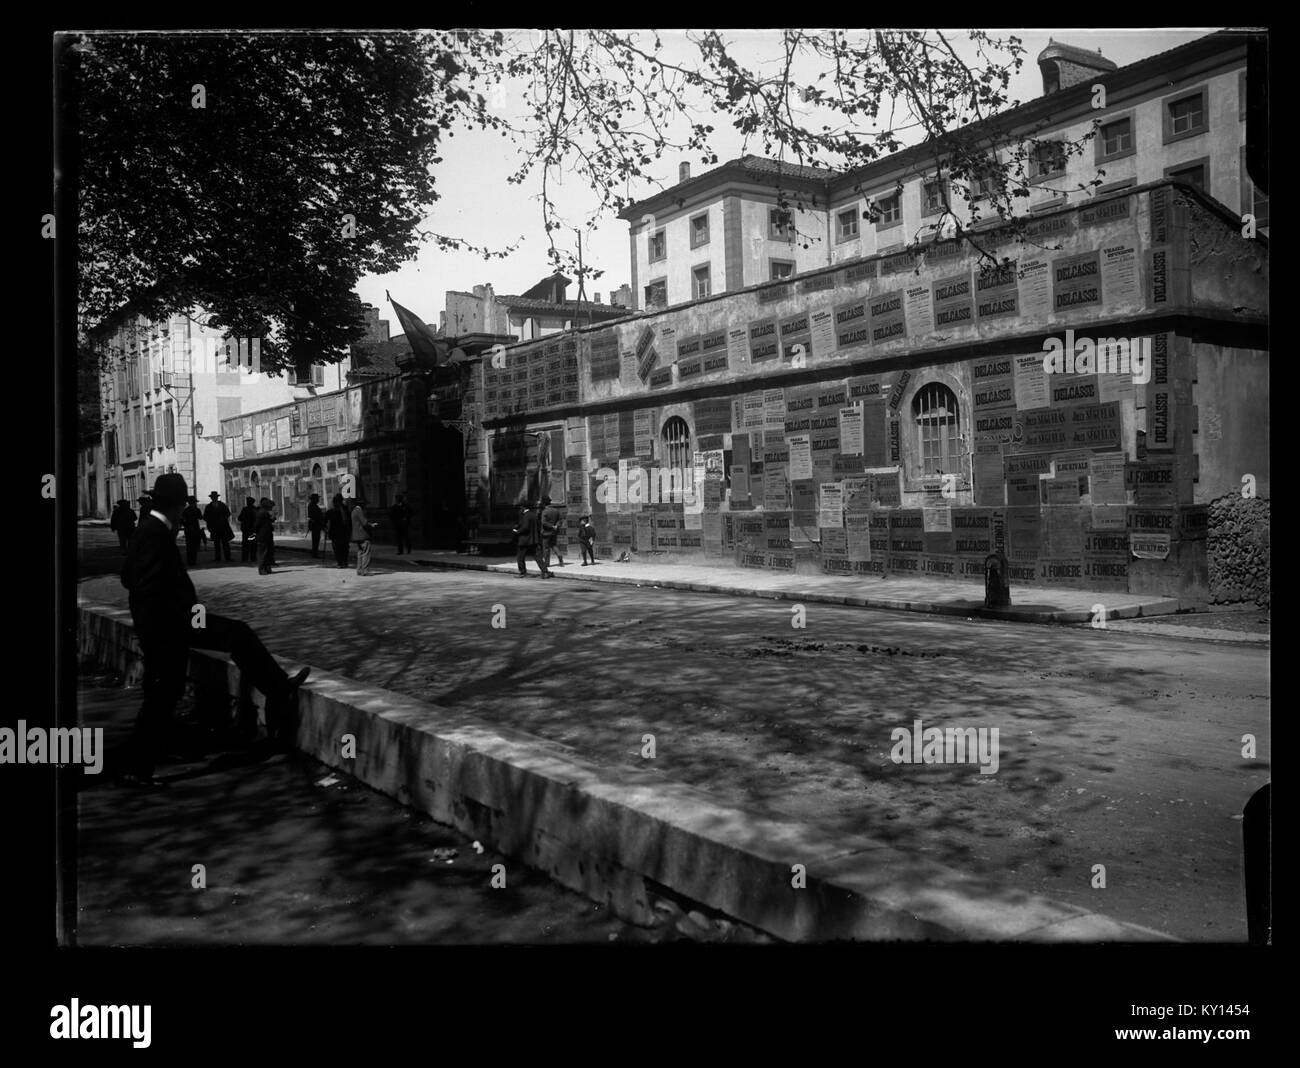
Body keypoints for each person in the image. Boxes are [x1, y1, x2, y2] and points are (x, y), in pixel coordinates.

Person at [119, 473, 309, 787]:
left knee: (163, 694)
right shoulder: (155, 533)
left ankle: (140, 764)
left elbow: (129, 577)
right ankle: (278, 690)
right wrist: (187, 617)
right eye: (183, 506)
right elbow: (153, 589)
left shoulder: (147, 530)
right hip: (170, 628)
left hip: (165, 626)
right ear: (178, 506)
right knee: (169, 690)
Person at [512, 501, 551, 578]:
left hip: (524, 540)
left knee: (520, 557)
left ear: (523, 507)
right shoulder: (534, 515)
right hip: (534, 539)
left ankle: (522, 572)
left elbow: (525, 527)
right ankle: (545, 571)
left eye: (521, 507)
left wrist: (517, 531)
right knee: (537, 557)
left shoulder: (526, 516)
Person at [203, 491, 234, 562]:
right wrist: (211, 521)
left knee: (225, 543)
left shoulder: (222, 505)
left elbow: (228, 513)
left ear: (217, 498)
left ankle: (227, 557)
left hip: (223, 527)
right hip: (214, 528)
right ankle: (218, 557)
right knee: (216, 543)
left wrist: (222, 518)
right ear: (211, 498)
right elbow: (205, 517)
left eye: (215, 497)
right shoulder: (208, 507)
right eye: (213, 497)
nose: (214, 498)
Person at [350, 497, 374, 576]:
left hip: (356, 535)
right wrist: (371, 525)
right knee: (366, 552)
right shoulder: (359, 510)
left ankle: (359, 569)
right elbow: (364, 522)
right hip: (363, 535)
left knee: (360, 552)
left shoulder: (353, 510)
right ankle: (365, 570)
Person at [540, 495, 565, 568]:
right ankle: (560, 557)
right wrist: (556, 526)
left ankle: (547, 563)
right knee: (554, 546)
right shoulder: (556, 510)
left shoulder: (544, 511)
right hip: (554, 532)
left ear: (544, 503)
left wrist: (551, 526)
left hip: (546, 532)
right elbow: (560, 520)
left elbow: (543, 522)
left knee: (546, 548)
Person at [327, 493, 350, 569]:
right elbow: (325, 520)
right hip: (336, 532)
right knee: (338, 548)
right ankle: (340, 562)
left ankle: (344, 561)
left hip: (343, 532)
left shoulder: (345, 508)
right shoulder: (331, 511)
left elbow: (348, 520)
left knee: (344, 547)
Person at [255, 497, 277, 575]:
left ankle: (267, 567)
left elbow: (267, 521)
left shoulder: (264, 512)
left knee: (268, 552)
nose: (271, 508)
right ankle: (262, 569)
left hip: (267, 535)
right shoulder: (262, 513)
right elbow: (257, 525)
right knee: (263, 553)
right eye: (270, 506)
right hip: (262, 535)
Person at [181, 496, 205, 566]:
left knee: (189, 546)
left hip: (188, 530)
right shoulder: (197, 510)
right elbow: (200, 517)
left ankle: (189, 561)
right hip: (195, 529)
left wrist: (186, 525)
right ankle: (193, 561)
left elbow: (182, 520)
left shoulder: (185, 510)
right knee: (195, 545)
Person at [238, 496, 259, 563]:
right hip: (252, 530)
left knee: (246, 544)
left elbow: (240, 518)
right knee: (252, 544)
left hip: (247, 530)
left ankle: (245, 558)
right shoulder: (255, 509)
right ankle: (252, 558)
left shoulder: (245, 509)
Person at [307, 493, 325, 558]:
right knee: (315, 539)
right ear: (314, 499)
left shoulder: (313, 505)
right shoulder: (312, 506)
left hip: (316, 525)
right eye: (317, 498)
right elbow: (316, 516)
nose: (318, 499)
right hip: (315, 525)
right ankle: (314, 553)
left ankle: (315, 552)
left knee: (316, 539)